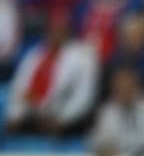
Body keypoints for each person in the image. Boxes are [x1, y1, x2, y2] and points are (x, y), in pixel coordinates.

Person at [5, 8, 99, 137]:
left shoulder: (82, 57)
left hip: (64, 121)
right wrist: (15, 114)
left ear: (68, 30)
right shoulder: (35, 55)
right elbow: (19, 87)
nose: (56, 33)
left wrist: (63, 120)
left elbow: (83, 96)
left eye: (60, 28)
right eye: (52, 29)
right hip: (33, 118)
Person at [89, 63, 144, 156]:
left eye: (127, 88)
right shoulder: (107, 111)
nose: (123, 92)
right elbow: (97, 140)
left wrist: (134, 154)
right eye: (119, 88)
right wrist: (106, 150)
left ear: (136, 86)